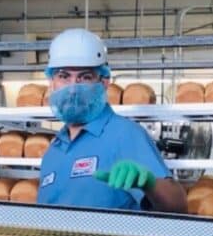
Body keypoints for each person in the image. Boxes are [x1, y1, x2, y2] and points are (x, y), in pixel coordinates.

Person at [37, 28, 187, 213]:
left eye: (85, 77)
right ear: (51, 82)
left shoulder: (125, 135)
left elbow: (177, 206)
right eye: (63, 76)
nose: (73, 89)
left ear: (104, 82)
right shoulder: (54, 149)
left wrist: (149, 183)